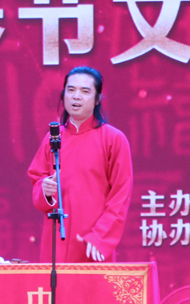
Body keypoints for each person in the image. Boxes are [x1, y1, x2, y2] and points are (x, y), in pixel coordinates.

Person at [27, 67, 133, 263]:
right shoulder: (52, 138)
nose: (76, 96)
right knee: (54, 283)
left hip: (91, 246)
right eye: (71, 90)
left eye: (85, 91)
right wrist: (45, 190)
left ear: (97, 99)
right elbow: (37, 182)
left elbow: (120, 195)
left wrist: (100, 237)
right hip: (55, 245)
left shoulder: (113, 139)